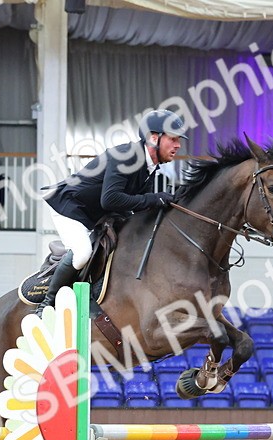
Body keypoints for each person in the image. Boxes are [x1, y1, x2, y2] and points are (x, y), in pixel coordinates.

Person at [32, 109, 188, 316]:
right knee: (82, 254)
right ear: (153, 137)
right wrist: (153, 198)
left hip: (95, 216)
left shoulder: (150, 167)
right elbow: (111, 199)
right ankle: (46, 305)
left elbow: (137, 206)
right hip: (69, 208)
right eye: (173, 139)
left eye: (179, 140)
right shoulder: (126, 156)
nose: (178, 145)